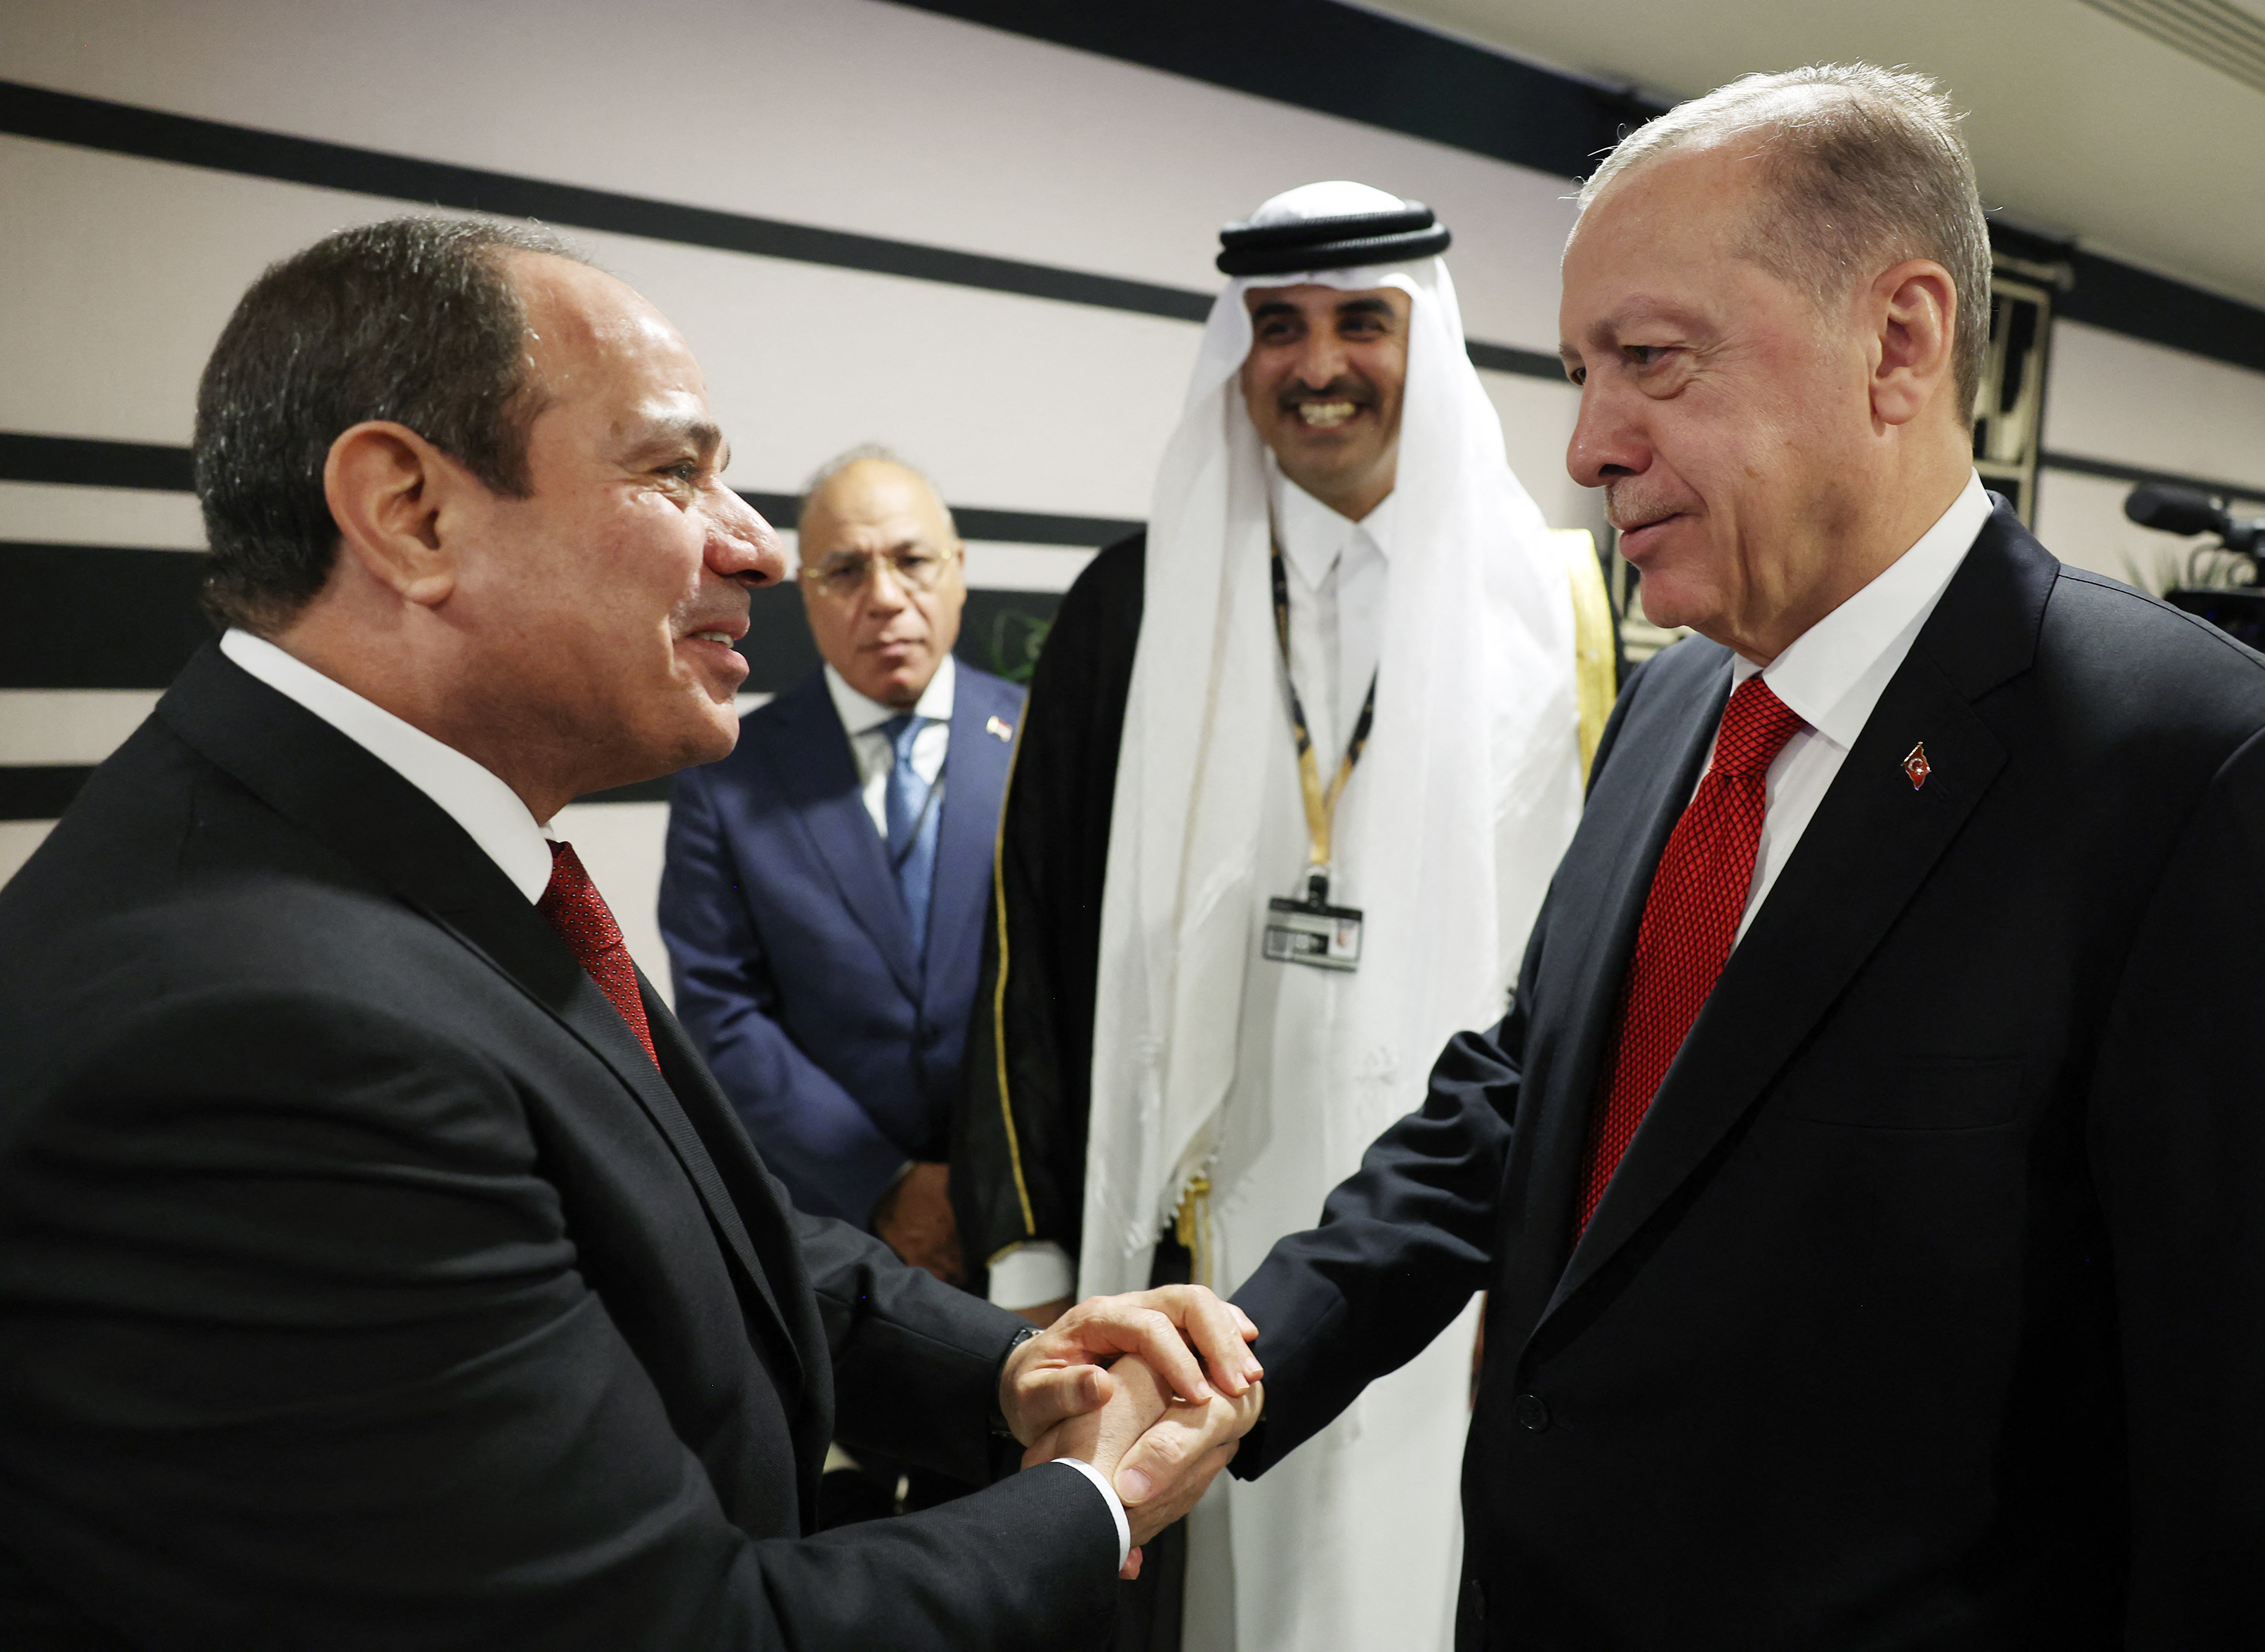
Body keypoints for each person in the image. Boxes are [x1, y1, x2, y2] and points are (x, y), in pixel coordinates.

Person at [1225, 67, 2265, 1648]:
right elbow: (1541, 1087)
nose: (1587, 446)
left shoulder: (2215, 783)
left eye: (1652, 361)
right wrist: (1247, 1351)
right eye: (1582, 372)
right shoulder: (1672, 705)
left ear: (1900, 342)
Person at [0, 216, 1261, 1648]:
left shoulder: (392, 853)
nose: (760, 547)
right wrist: (1094, 1501)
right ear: (410, 513)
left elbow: (677, 1215)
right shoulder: (265, 1033)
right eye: (674, 472)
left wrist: (1011, 1365)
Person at [952, 182, 1615, 1648]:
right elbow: (1028, 943)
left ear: (1422, 338)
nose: (1318, 365)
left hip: (1449, 1256)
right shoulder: (1131, 606)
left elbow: (1587, 979)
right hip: (1182, 1243)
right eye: (1277, 327)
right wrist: (1032, 1264)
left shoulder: (1555, 609)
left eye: (1359, 321)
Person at [662, 450, 1019, 1274]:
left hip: (1037, 1216)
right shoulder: (729, 775)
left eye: (912, 561)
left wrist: (1005, 1182)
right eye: (847, 570)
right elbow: (722, 1011)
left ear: (959, 570)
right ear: (806, 592)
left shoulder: (1048, 744)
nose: (885, 598)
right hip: (836, 1236)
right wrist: (886, 1184)